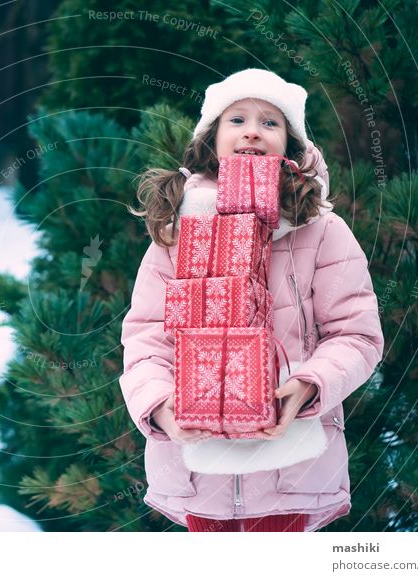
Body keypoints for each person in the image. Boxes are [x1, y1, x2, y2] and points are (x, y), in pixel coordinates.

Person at [119, 68, 384, 532]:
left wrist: (309, 386)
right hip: (197, 470)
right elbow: (146, 340)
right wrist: (161, 408)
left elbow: (356, 335)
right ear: (211, 140)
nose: (252, 131)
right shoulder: (178, 234)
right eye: (236, 119)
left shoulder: (323, 232)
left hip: (292, 468)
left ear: (292, 147)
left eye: (270, 122)